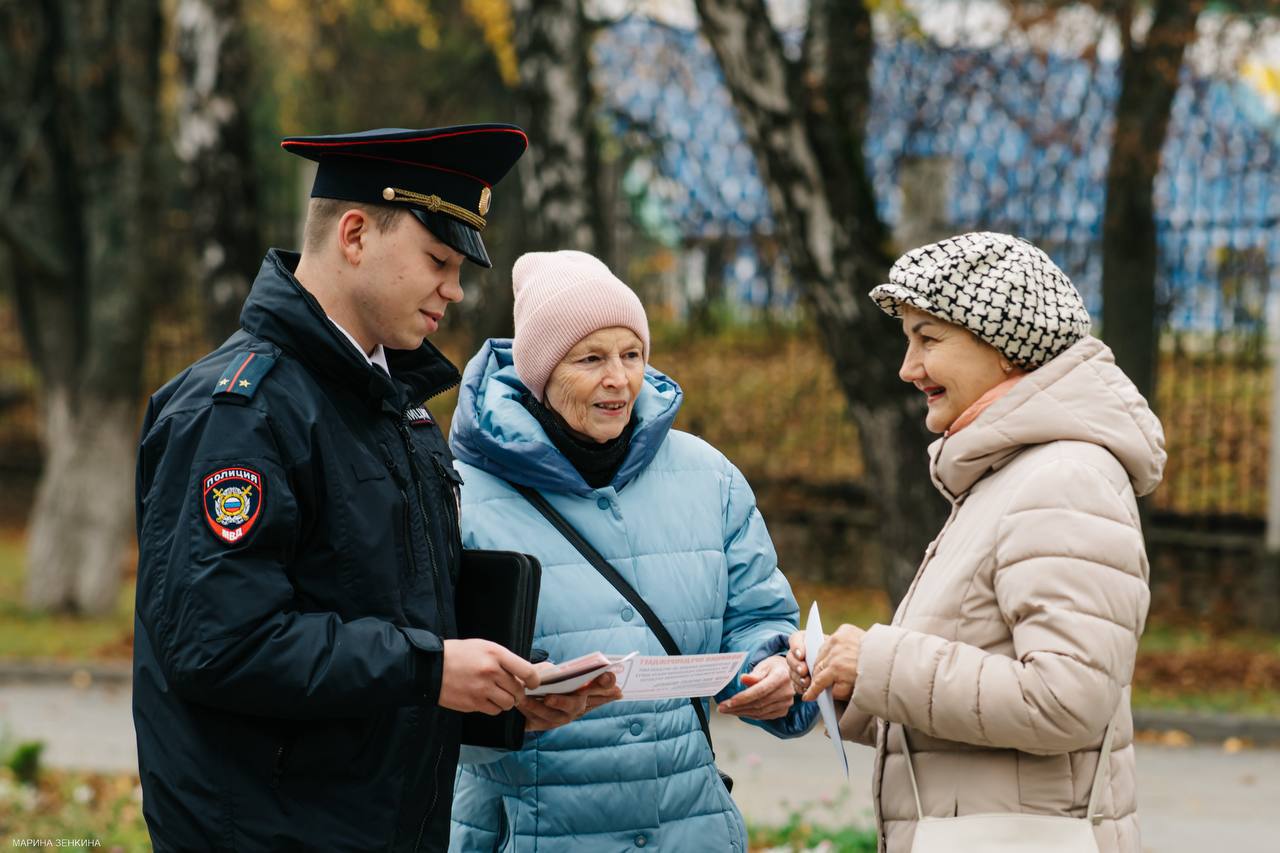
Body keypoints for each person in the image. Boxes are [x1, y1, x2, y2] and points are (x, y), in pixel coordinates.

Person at [133, 125, 597, 852]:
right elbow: (220, 645)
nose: (456, 288)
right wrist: (431, 668)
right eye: (439, 259)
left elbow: (385, 617)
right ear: (354, 234)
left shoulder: (393, 406)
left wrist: (494, 694)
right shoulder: (237, 414)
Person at [790, 232, 1166, 852]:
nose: (908, 369)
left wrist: (881, 663)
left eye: (928, 340)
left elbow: (1066, 701)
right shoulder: (1011, 475)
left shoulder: (1063, 479)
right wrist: (847, 684)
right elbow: (969, 692)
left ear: (1007, 349)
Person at [446, 250, 818, 851]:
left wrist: (772, 669)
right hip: (531, 833)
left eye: (632, 354)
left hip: (689, 829)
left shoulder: (710, 478)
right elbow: (416, 671)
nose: (618, 379)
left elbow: (758, 618)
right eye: (590, 358)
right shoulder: (458, 493)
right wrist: (512, 698)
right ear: (541, 373)